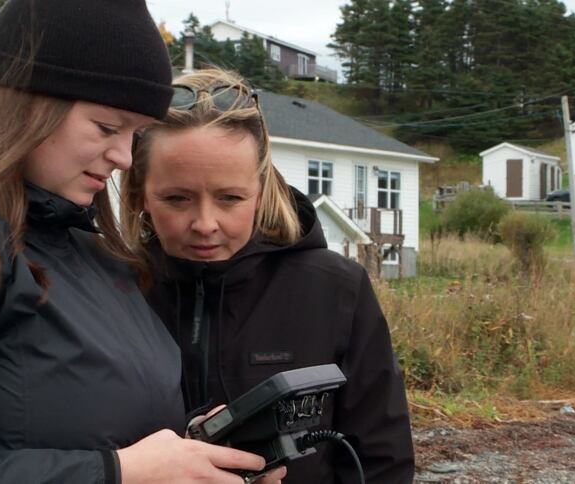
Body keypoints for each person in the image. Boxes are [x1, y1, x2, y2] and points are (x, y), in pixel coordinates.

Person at [0, 2, 285, 483]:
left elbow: (99, 428)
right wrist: (120, 472)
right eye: (108, 127)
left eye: (135, 134)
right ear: (29, 103)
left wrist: (198, 456)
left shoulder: (88, 248)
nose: (124, 157)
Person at [119, 69, 415, 484]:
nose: (205, 223)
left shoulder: (336, 290)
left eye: (230, 198)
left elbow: (383, 459)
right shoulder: (109, 292)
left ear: (261, 190)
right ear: (140, 196)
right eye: (176, 198)